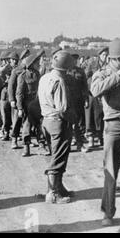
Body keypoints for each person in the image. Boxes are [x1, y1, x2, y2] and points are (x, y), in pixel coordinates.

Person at [91, 39, 120, 226]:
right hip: (113, 126)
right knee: (111, 171)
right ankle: (108, 213)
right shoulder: (102, 74)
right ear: (115, 59)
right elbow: (95, 90)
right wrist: (118, 76)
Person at [38, 50, 76, 204]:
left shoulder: (45, 78)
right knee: (58, 158)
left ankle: (58, 187)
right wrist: (73, 119)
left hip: (46, 121)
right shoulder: (59, 81)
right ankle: (53, 194)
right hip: (58, 122)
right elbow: (63, 109)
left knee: (55, 155)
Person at [16, 51, 42, 157]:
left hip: (37, 103)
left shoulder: (38, 74)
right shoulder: (22, 76)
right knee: (27, 125)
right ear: (31, 64)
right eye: (36, 63)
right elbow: (19, 93)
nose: (38, 64)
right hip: (27, 105)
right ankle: (26, 147)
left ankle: (42, 144)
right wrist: (20, 108)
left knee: (40, 125)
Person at [85, 48, 107, 150]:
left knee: (101, 116)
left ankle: (101, 137)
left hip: (104, 93)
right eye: (103, 55)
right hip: (92, 93)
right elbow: (86, 77)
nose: (105, 57)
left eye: (107, 55)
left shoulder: (109, 66)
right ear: (99, 56)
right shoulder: (93, 64)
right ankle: (91, 138)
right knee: (90, 116)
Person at [8, 49, 31, 149]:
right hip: (19, 100)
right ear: (22, 58)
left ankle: (26, 141)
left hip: (29, 100)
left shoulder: (30, 69)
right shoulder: (16, 70)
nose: (28, 58)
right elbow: (11, 86)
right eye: (26, 56)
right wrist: (12, 99)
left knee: (28, 121)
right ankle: (14, 139)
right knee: (17, 120)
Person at [67, 52, 89, 152]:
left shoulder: (81, 71)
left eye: (76, 60)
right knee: (68, 124)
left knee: (79, 124)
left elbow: (85, 86)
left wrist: (86, 100)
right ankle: (67, 145)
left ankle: (80, 144)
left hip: (79, 101)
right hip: (68, 101)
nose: (75, 61)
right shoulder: (66, 71)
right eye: (73, 59)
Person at [0, 51, 19, 141]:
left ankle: (14, 135)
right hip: (5, 95)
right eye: (12, 60)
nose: (13, 62)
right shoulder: (2, 69)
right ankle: (6, 132)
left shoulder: (18, 70)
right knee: (6, 117)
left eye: (15, 60)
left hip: (14, 96)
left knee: (14, 117)